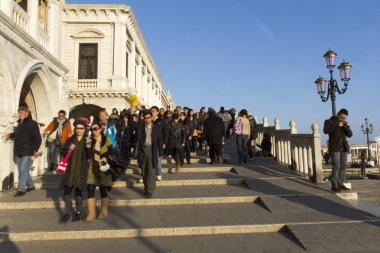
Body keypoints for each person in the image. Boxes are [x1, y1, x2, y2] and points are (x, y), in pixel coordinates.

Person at [5, 107, 42, 197]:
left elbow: (38, 138)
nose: (19, 114)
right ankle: (30, 185)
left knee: (23, 170)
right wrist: (10, 135)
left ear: (26, 113)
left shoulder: (33, 124)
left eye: (21, 113)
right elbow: (18, 135)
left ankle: (21, 189)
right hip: (18, 150)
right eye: (19, 113)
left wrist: (35, 150)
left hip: (28, 151)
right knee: (22, 170)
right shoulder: (20, 124)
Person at [60, 119, 92, 222]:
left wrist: (88, 147)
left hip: (81, 169)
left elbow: (89, 155)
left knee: (79, 191)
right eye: (77, 128)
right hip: (70, 168)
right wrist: (69, 149)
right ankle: (68, 211)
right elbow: (63, 151)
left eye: (81, 128)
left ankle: (78, 212)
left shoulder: (88, 140)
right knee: (67, 189)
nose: (79, 130)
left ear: (85, 129)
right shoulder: (71, 139)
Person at [86, 122, 114, 222]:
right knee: (90, 188)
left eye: (96, 129)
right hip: (92, 167)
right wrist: (92, 144)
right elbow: (88, 155)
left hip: (103, 167)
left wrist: (105, 157)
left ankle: (103, 211)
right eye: (92, 129)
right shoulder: (89, 140)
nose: (94, 131)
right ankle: (91, 212)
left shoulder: (106, 140)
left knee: (103, 189)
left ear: (100, 129)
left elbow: (112, 151)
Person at [323, 108, 353, 192]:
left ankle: (340, 183)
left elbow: (350, 135)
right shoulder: (329, 121)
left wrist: (348, 128)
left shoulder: (344, 123)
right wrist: (337, 125)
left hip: (344, 147)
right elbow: (325, 131)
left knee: (343, 166)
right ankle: (334, 185)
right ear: (338, 114)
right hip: (334, 147)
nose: (342, 119)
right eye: (341, 117)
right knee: (336, 166)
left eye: (344, 118)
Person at [137, 110, 164, 198]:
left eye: (148, 118)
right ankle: (146, 187)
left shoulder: (156, 127)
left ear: (152, 118)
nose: (147, 119)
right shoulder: (141, 127)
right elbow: (139, 138)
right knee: (144, 169)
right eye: (145, 118)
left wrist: (160, 152)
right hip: (143, 149)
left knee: (151, 170)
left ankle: (150, 190)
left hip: (152, 149)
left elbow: (160, 140)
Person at [151, 106, 169, 181]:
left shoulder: (162, 121)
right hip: (150, 142)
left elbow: (166, 132)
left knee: (158, 159)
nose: (152, 112)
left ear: (157, 112)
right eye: (151, 111)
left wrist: (165, 142)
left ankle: (158, 174)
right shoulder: (149, 120)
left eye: (153, 111)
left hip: (159, 143)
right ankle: (150, 174)